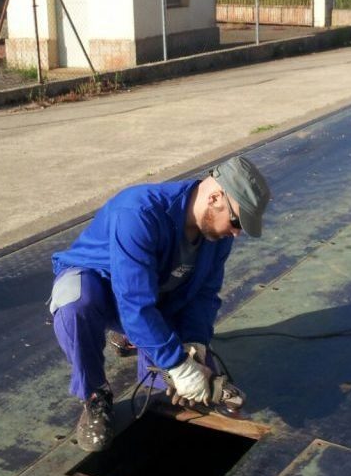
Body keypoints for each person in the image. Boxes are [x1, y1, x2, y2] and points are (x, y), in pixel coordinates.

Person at [47, 155, 271, 451]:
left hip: (154, 293)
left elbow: (204, 294)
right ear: (215, 197)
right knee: (76, 305)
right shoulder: (139, 212)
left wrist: (195, 344)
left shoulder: (218, 236)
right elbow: (134, 302)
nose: (237, 232)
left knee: (170, 388)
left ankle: (135, 337)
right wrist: (177, 364)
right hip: (101, 285)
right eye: (236, 221)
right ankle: (94, 395)